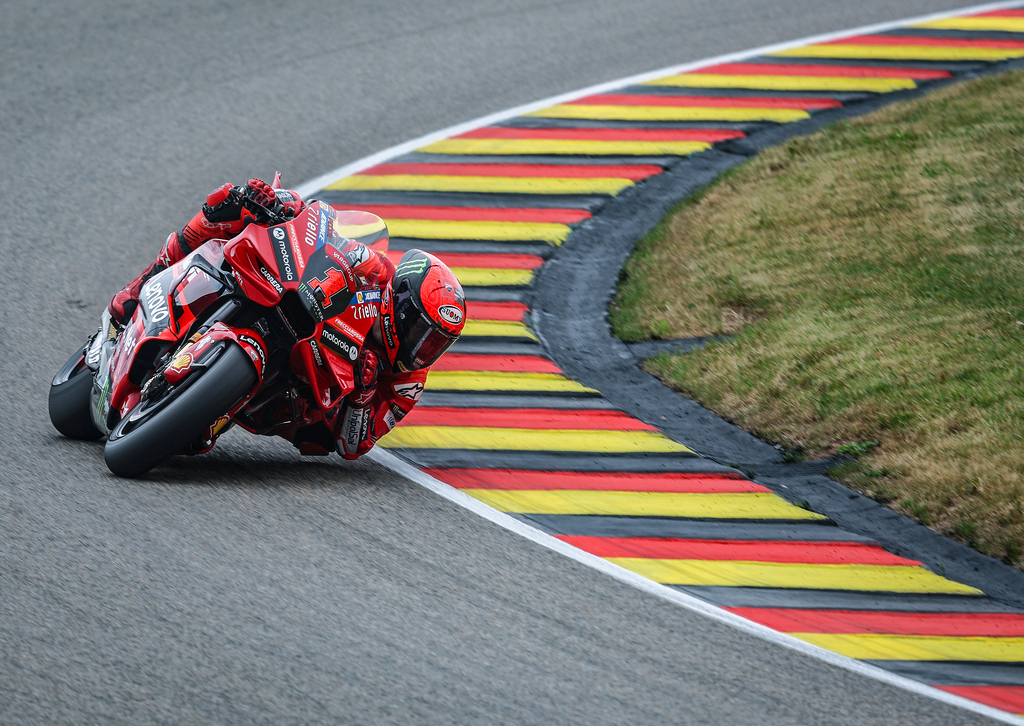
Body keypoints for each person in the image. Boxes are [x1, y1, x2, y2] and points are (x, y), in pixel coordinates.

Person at [105, 178, 465, 460]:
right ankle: (139, 287)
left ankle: (205, 406)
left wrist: (364, 394)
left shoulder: (408, 383)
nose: (423, 349)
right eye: (422, 332)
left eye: (436, 344)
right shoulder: (379, 271)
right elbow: (326, 231)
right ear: (399, 304)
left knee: (208, 440)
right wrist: (279, 204)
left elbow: (355, 445)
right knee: (229, 205)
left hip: (302, 401)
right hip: (296, 306)